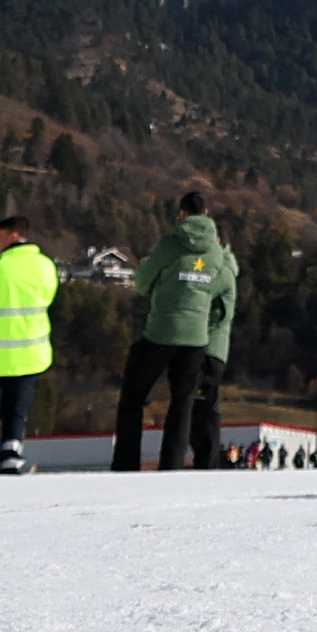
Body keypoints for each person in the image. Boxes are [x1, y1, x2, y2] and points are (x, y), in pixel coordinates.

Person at [111, 188, 236, 473]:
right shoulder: (217, 252)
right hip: (196, 339)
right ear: (206, 214)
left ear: (181, 214)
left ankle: (125, 464)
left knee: (133, 396)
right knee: (183, 404)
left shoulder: (168, 246)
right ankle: (172, 466)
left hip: (161, 332)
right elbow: (220, 287)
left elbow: (142, 285)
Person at [0, 211, 60, 473]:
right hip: (30, 354)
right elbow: (49, 297)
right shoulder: (47, 266)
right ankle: (11, 457)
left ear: (14, 236)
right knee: (17, 412)